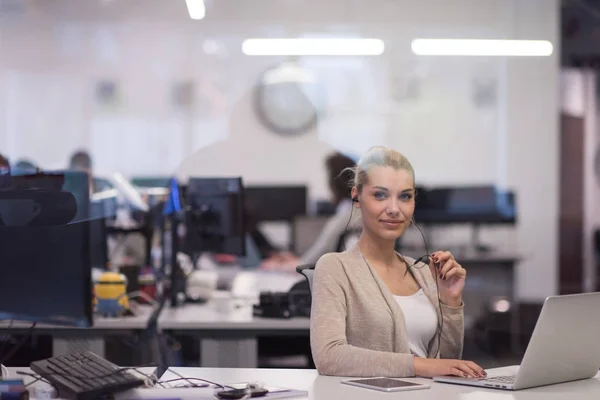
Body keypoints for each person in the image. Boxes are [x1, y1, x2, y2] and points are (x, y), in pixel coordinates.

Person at [310, 146, 486, 378]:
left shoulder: (423, 272)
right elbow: (329, 357)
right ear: (356, 198)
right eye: (380, 195)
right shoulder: (335, 267)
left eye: (405, 196)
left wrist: (450, 302)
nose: (394, 209)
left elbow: (447, 363)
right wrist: (418, 365)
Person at [260, 151, 358, 270]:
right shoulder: (356, 213)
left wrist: (276, 266)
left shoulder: (344, 217)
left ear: (334, 184)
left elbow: (309, 263)